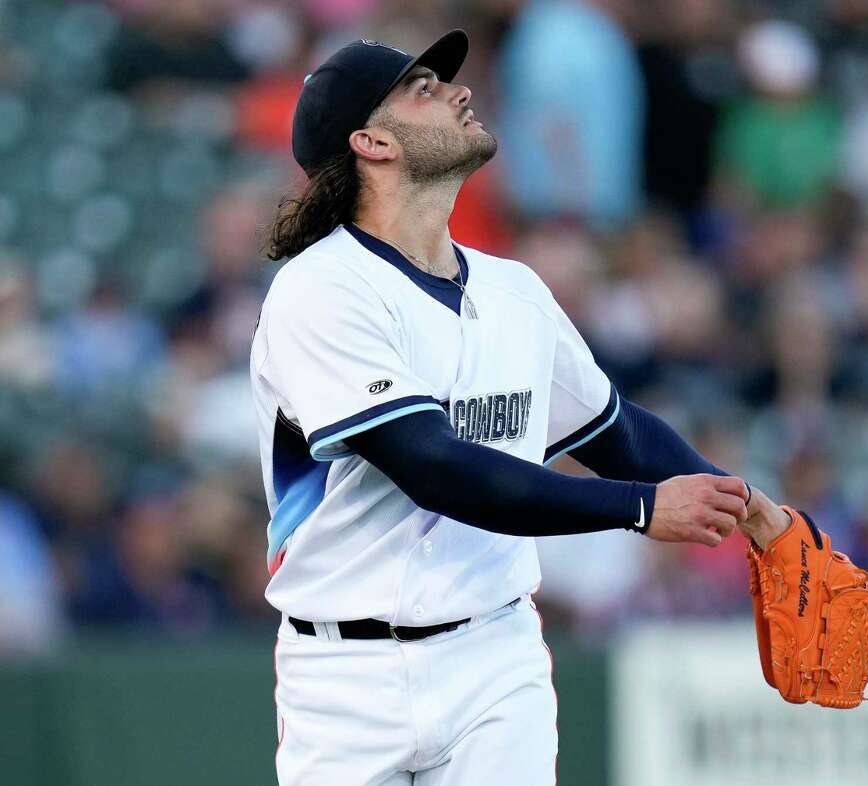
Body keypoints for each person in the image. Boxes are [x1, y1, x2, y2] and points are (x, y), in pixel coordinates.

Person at [255, 31, 791, 785]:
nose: (459, 90)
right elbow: (433, 466)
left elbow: (615, 430)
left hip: (494, 655)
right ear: (372, 141)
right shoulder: (322, 290)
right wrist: (640, 508)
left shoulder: (514, 291)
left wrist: (758, 513)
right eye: (424, 88)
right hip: (345, 677)